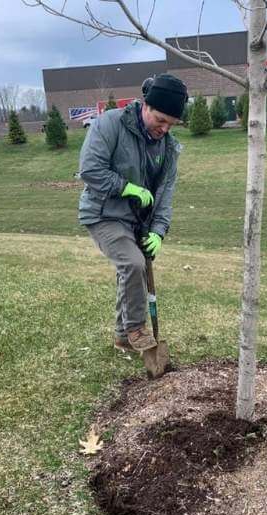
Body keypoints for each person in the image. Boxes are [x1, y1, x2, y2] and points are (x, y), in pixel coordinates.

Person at [77, 73, 186, 353]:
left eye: (171, 124)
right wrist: (127, 188)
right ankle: (136, 329)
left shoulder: (168, 148)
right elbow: (90, 170)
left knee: (130, 271)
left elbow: (165, 195)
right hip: (103, 213)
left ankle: (121, 337)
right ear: (145, 106)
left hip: (138, 223)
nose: (164, 128)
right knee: (133, 264)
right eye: (160, 120)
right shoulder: (110, 124)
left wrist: (159, 231)